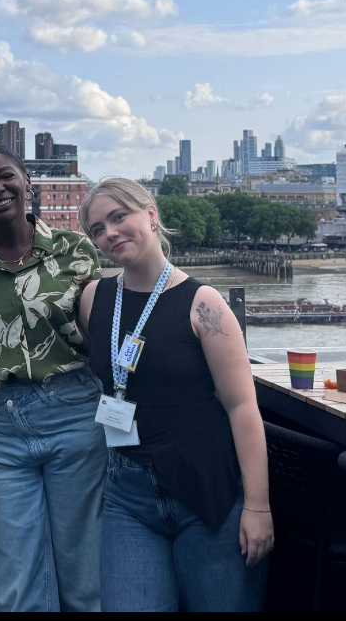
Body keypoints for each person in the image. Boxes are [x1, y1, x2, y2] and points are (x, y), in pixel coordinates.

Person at [77, 178, 273, 612]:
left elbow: (242, 407)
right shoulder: (94, 298)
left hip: (206, 493)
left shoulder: (204, 304)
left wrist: (257, 507)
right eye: (97, 229)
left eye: (118, 217)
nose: (109, 233)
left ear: (151, 214)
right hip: (127, 495)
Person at [0, 144, 105, 612]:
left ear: (28, 183)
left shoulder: (75, 251)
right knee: (9, 592)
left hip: (76, 414)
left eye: (6, 176)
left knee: (87, 579)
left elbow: (109, 331)